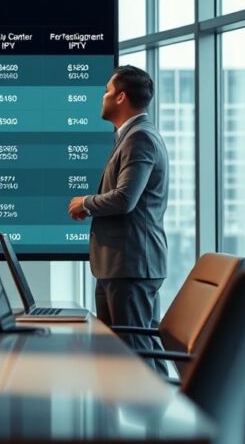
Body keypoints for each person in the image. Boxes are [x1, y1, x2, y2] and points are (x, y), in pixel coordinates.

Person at [67, 65, 169, 364]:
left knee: (135, 356)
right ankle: (125, 410)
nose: (103, 98)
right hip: (120, 264)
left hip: (132, 264)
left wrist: (86, 202)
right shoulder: (130, 136)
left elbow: (125, 198)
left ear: (121, 97)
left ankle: (154, 410)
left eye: (108, 92)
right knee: (119, 354)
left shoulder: (140, 138)